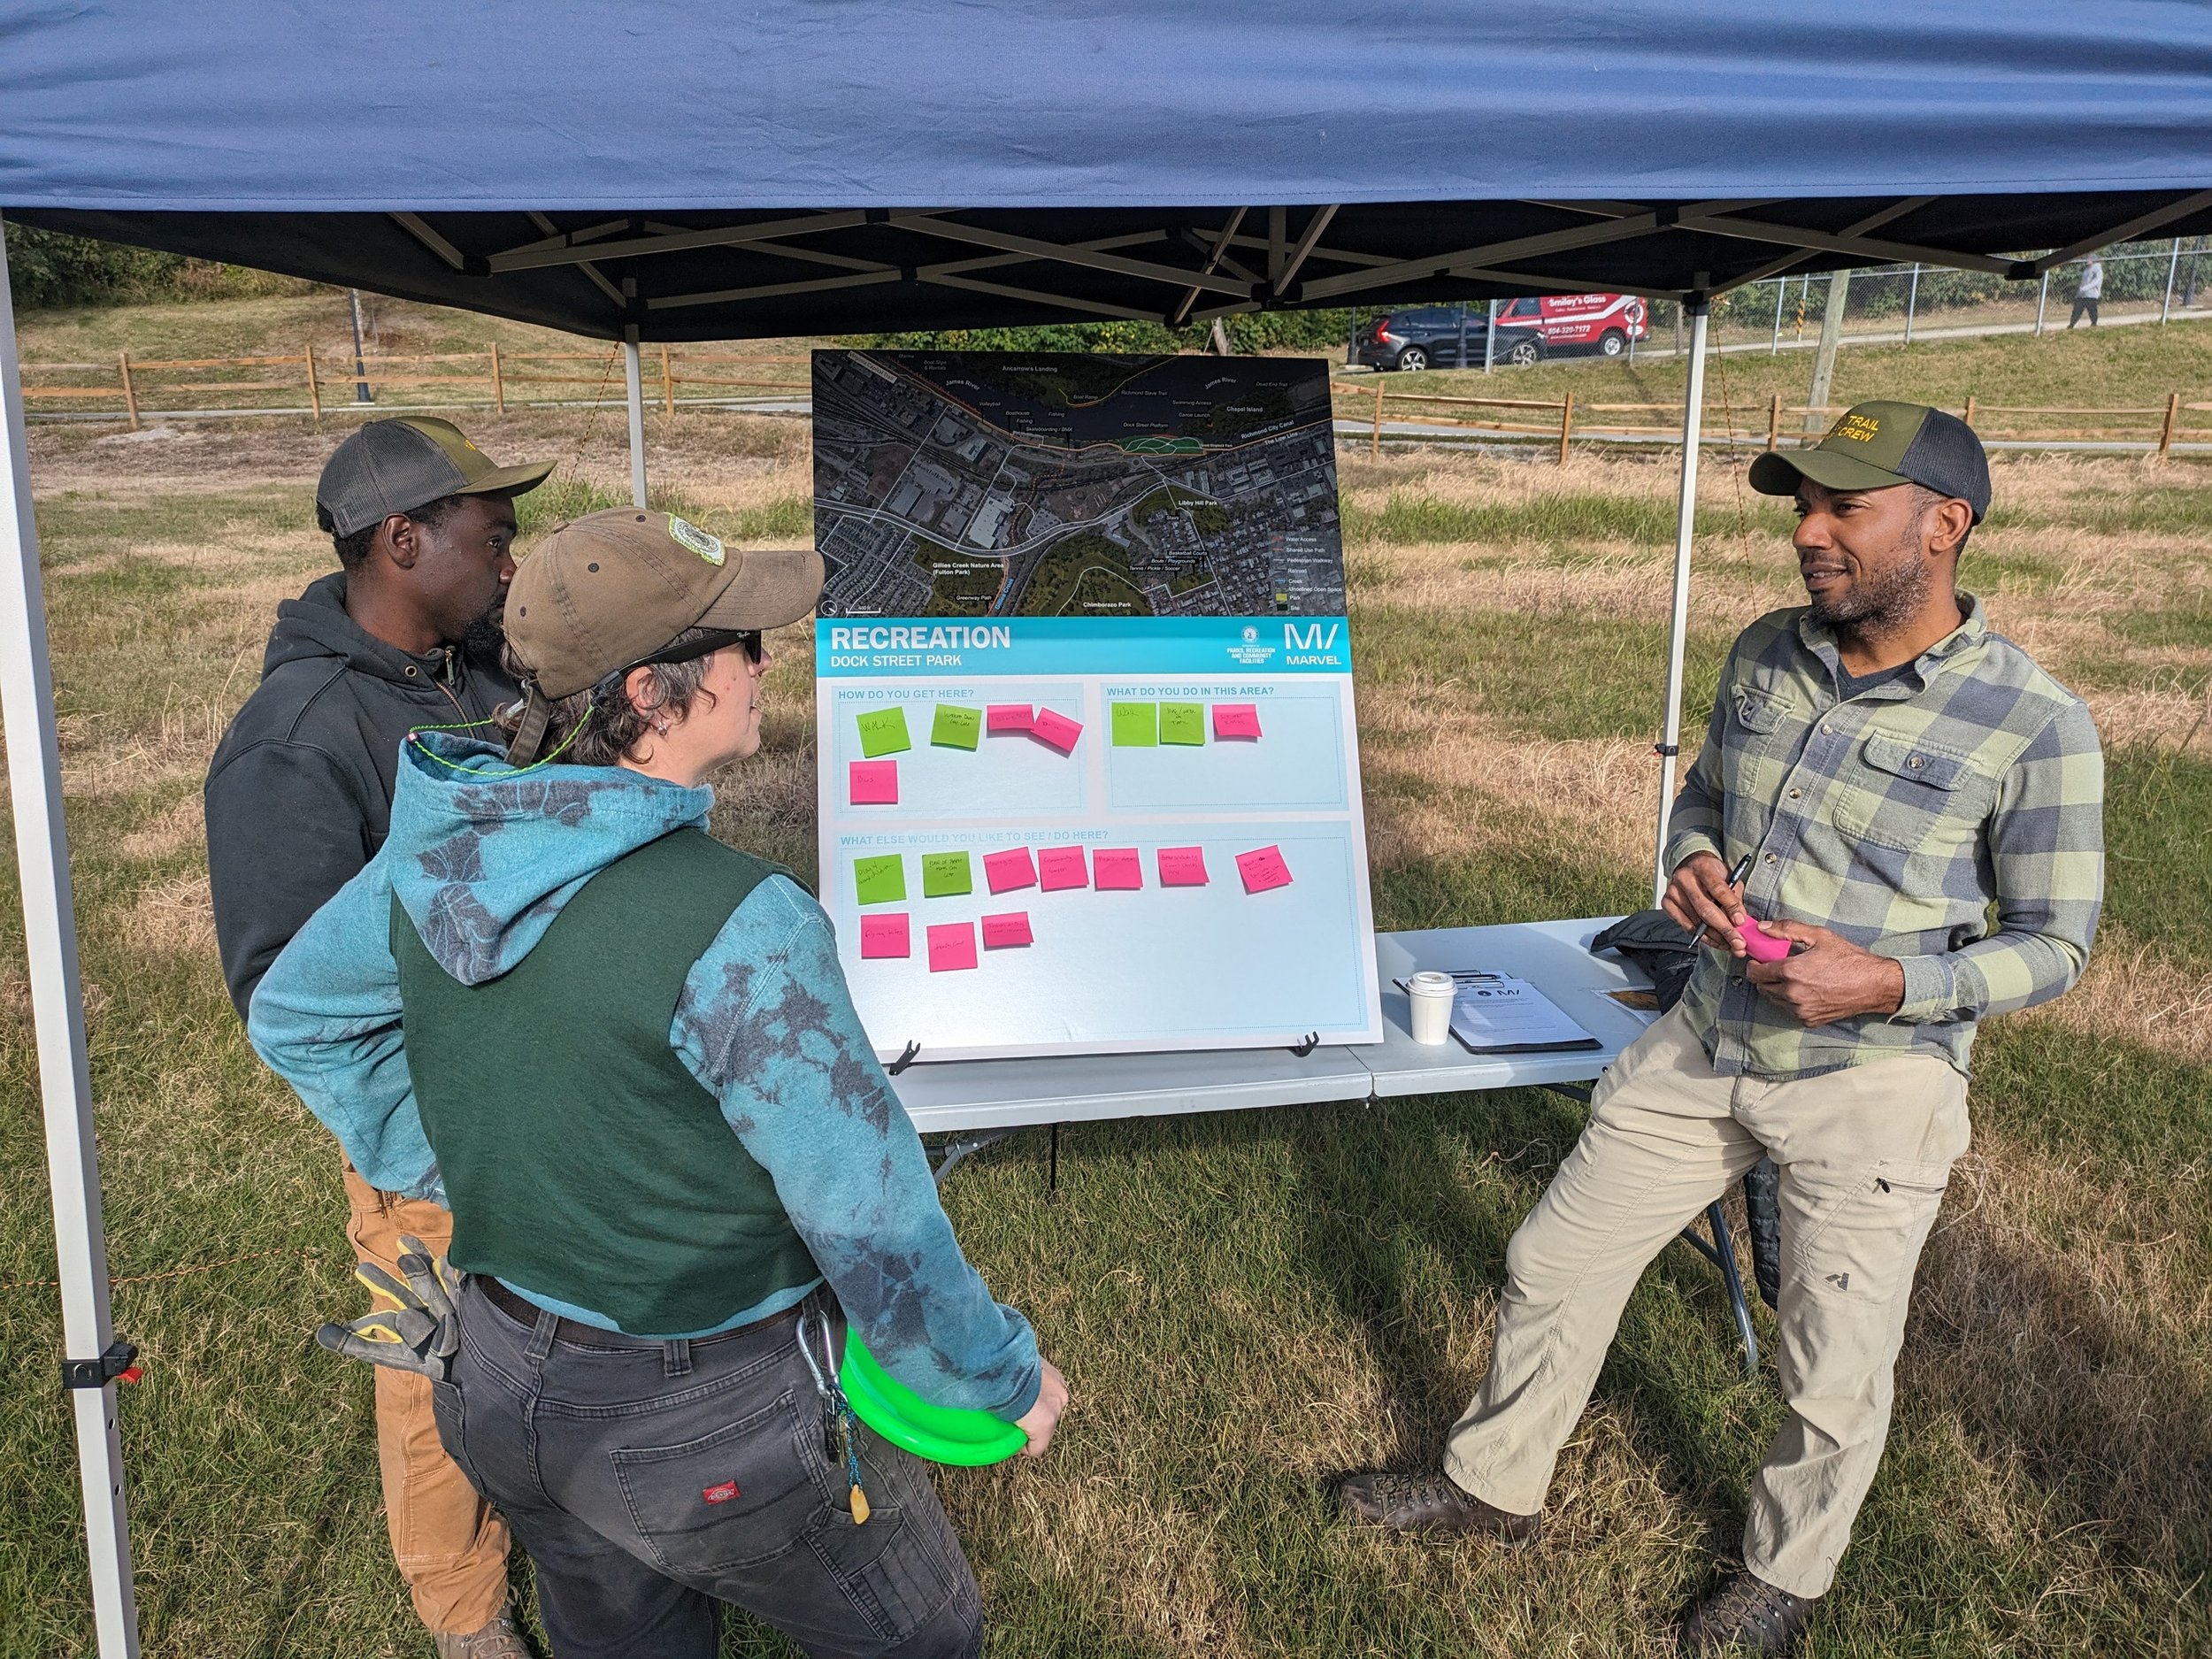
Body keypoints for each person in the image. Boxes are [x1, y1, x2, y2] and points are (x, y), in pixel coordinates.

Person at [1336, 403, 2103, 1655]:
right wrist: (1691, 859)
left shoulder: (2034, 724)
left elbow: (2057, 943)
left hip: (1876, 1082)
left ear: (1945, 525)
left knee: (1830, 1367)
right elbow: (1702, 796)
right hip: (1705, 1036)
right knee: (1555, 1258)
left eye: (1843, 508)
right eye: (1802, 505)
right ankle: (1493, 1487)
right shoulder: (1765, 653)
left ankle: (1783, 1581)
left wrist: (1890, 984)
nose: (1808, 532)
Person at [249, 507, 1067, 1658]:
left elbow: (300, 1019)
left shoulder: (440, 850)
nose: (764, 665)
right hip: (707, 1414)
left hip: (500, 1379)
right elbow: (871, 1217)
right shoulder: (743, 925)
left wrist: (474, 1160)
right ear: (654, 693)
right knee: (924, 1631)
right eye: (742, 643)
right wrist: (993, 1374)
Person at [205, 416, 551, 1658]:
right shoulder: (298, 741)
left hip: (535, 1090)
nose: (512, 561)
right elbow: (288, 999)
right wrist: (422, 1147)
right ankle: (466, 1611)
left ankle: (565, 1517)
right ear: (402, 539)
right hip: (428, 1137)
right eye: (493, 536)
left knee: (546, 1328)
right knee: (434, 1361)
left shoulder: (477, 672)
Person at [2069, 256, 2103, 327]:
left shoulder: (2097, 269)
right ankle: (2071, 325)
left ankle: (2094, 324)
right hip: (2082, 295)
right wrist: (2079, 293)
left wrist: (2085, 288)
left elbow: (2096, 282)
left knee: (2092, 311)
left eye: (2089, 259)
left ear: (2093, 260)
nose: (2087, 260)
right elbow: (2083, 282)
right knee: (2076, 310)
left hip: (2092, 295)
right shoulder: (2087, 269)